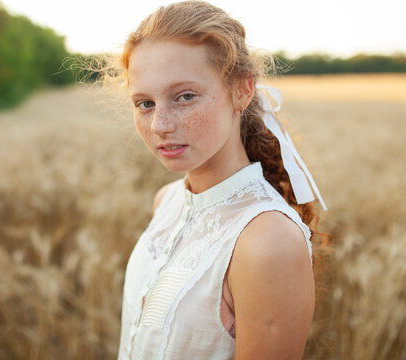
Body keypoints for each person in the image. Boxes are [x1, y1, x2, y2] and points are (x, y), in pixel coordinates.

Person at [114, 1, 329, 359]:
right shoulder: (166, 201)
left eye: (185, 96)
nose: (160, 125)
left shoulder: (267, 241)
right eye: (144, 103)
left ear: (242, 90)